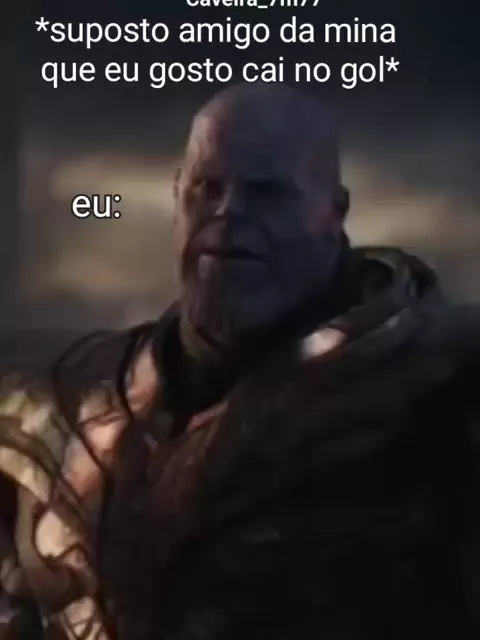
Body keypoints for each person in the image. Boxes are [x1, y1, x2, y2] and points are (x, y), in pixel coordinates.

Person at [0, 82, 479, 639]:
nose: (228, 214)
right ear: (178, 197)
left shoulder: (445, 391)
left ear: (334, 212)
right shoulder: (60, 407)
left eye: (268, 193)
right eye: (207, 188)